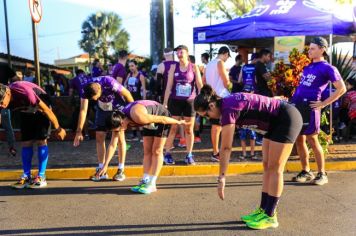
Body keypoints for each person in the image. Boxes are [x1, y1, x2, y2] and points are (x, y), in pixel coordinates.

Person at [194, 85, 303, 229]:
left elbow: (226, 148)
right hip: (274, 123)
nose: (208, 119)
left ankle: (270, 216)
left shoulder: (228, 109)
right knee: (267, 166)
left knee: (276, 168)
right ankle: (263, 209)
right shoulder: (227, 105)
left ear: (212, 105)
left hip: (286, 118)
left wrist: (222, 177)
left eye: (206, 116)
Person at [98, 100, 185, 194]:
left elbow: (163, 119)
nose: (119, 132)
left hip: (161, 116)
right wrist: (105, 165)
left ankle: (152, 183)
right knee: (147, 151)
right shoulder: (118, 118)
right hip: (148, 117)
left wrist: (178, 122)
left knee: (156, 151)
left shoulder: (138, 117)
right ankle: (145, 180)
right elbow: (112, 144)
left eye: (118, 130)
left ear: (122, 123)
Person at [291, 37, 346, 186]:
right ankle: (306, 171)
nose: (309, 51)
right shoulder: (308, 67)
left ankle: (322, 173)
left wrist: (323, 103)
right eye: (309, 48)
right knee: (299, 140)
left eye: (313, 48)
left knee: (312, 140)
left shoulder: (328, 68)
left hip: (311, 108)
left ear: (322, 49)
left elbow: (342, 88)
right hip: (297, 106)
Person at [0, 81, 66, 188]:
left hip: (41, 105)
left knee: (41, 140)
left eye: (2, 101)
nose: (1, 105)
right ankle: (27, 176)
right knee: (26, 142)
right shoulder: (2, 100)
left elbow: (46, 110)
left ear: (8, 93)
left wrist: (58, 128)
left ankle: (41, 176)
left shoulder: (24, 93)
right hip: (26, 110)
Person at [73, 76, 134, 182]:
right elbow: (83, 110)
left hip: (117, 106)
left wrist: (132, 111)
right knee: (99, 136)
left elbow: (127, 94)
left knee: (119, 137)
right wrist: (79, 131)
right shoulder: (84, 87)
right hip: (102, 108)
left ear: (100, 89)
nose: (93, 99)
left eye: (94, 97)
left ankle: (121, 169)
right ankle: (102, 170)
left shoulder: (109, 82)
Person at [163, 45, 203, 165]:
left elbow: (200, 85)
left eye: (181, 52)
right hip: (175, 101)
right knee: (173, 128)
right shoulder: (173, 67)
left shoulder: (194, 67)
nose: (179, 54)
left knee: (189, 129)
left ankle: (189, 155)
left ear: (187, 53)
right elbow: (168, 86)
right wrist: (165, 103)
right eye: (177, 53)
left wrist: (202, 101)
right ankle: (167, 154)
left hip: (190, 102)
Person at [203, 46, 232, 162]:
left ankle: (215, 151)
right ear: (225, 54)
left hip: (211, 97)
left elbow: (204, 80)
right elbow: (226, 81)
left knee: (215, 126)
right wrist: (229, 85)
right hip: (220, 96)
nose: (227, 59)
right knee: (221, 126)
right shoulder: (220, 62)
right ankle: (218, 152)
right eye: (227, 57)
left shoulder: (209, 63)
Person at [124, 60, 147, 141]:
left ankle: (143, 136)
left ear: (136, 66)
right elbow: (125, 85)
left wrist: (144, 100)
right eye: (129, 66)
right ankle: (134, 135)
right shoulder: (129, 75)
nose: (131, 68)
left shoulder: (141, 76)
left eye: (132, 66)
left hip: (138, 99)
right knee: (130, 117)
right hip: (129, 99)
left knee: (139, 117)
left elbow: (144, 88)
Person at [0, 64, 17, 156]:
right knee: (7, 126)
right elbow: (16, 79)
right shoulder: (4, 66)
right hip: (4, 100)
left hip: (3, 100)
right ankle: (12, 148)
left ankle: (12, 147)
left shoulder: (4, 67)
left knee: (7, 125)